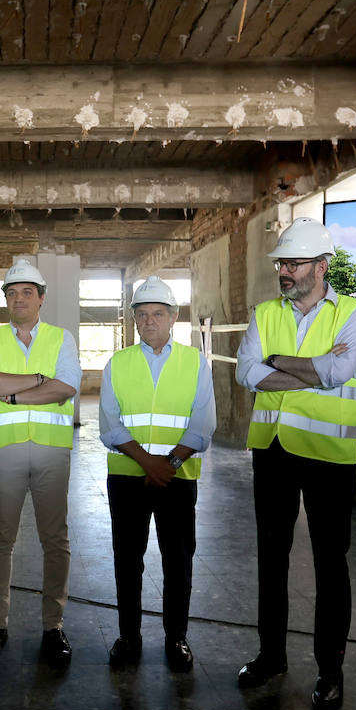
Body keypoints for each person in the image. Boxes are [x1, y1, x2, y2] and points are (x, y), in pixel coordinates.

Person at [234, 217, 356, 710]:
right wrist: (310, 373)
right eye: (281, 264)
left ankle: (330, 672)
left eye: (293, 263)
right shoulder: (266, 312)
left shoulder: (353, 315)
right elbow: (247, 375)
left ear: (322, 266)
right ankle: (271, 656)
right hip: (272, 452)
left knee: (329, 565)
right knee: (271, 558)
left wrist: (278, 362)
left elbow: (340, 372)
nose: (285, 271)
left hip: (330, 459)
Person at [99, 276, 216, 672]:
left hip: (178, 479)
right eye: (142, 314)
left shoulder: (194, 362)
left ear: (173, 317)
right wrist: (150, 463)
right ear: (134, 319)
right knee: (127, 560)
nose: (150, 321)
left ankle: (176, 638)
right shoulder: (118, 364)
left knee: (178, 561)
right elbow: (110, 426)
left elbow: (203, 425)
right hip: (128, 478)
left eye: (158, 313)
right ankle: (128, 636)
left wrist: (169, 464)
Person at [0, 256, 81, 667]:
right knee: (1, 538)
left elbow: (67, 386)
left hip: (53, 451)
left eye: (26, 292)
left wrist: (13, 393)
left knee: (56, 540)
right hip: (5, 453)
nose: (19, 299)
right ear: (6, 299)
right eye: (12, 292)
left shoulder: (62, 338)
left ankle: (53, 626)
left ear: (41, 298)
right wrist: (39, 379)